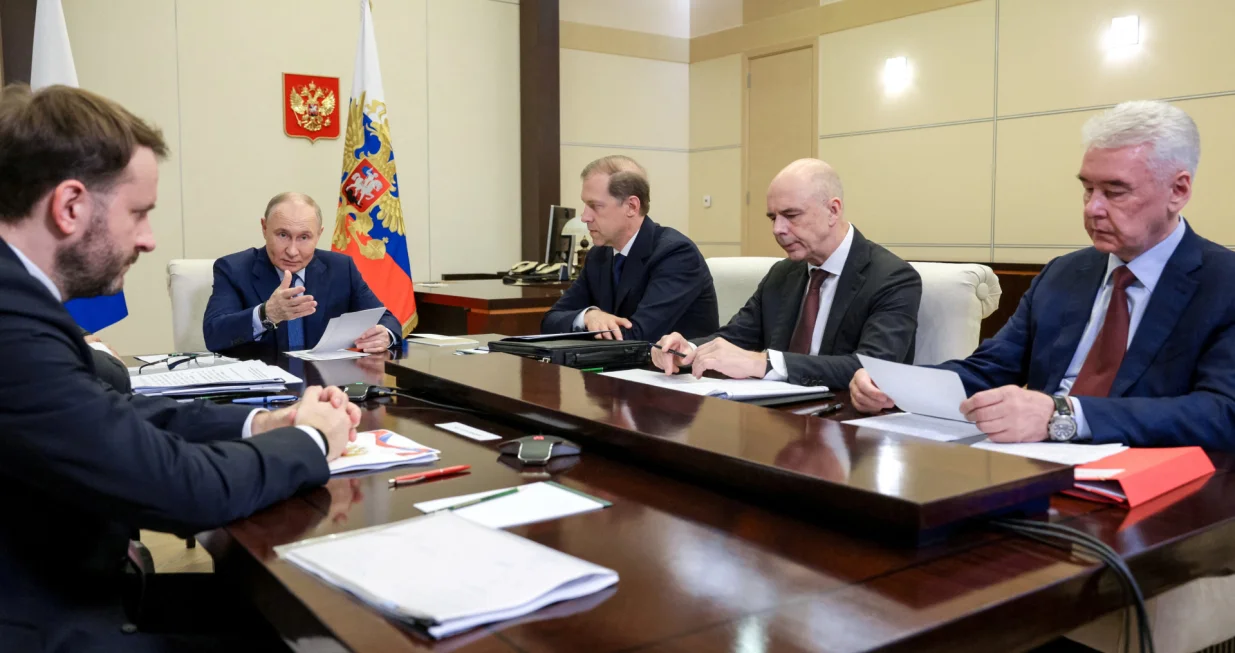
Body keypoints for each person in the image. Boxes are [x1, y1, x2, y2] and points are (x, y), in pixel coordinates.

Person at [0, 83, 361, 652]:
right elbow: (184, 489)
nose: (148, 240)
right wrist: (313, 441)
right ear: (70, 207)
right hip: (54, 625)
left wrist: (261, 424)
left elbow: (114, 412)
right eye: (139, 214)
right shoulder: (12, 327)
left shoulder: (21, 299)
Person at [850, 100, 1235, 449]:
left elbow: (1221, 413)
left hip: (1156, 483)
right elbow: (991, 368)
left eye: (1115, 192)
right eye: (1087, 189)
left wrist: (1062, 415)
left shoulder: (1223, 282)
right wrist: (898, 387)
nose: (1092, 209)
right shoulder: (1065, 273)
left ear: (1178, 191)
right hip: (1037, 465)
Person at [652, 159, 922, 389]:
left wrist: (765, 363)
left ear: (833, 210)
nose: (778, 229)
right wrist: (687, 350)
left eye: (791, 215)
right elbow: (735, 336)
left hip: (848, 426)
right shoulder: (782, 273)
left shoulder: (892, 278)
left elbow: (874, 367)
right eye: (773, 217)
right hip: (778, 416)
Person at [203, 192, 402, 359]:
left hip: (326, 388)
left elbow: (386, 319)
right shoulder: (233, 269)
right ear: (264, 228)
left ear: (319, 234)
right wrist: (266, 314)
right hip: (263, 391)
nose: (292, 250)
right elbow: (214, 335)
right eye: (283, 235)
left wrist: (384, 334)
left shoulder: (341, 268)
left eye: (304, 237)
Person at [540, 155, 719, 341]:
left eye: (595, 206)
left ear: (632, 206)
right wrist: (588, 315)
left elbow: (638, 336)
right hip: (614, 367)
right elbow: (550, 321)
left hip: (668, 369)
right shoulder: (599, 256)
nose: (585, 217)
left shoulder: (676, 254)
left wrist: (589, 326)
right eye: (585, 205)